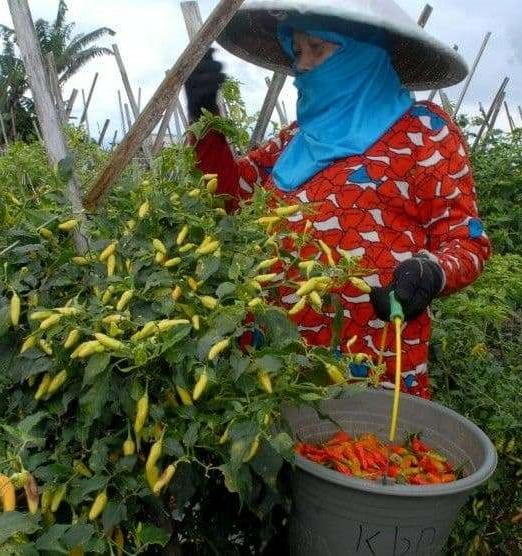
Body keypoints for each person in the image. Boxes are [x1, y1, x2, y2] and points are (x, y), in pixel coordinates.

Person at [185, 0, 491, 399]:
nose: (304, 64)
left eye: (318, 48)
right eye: (298, 51)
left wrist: (432, 271)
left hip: (372, 363)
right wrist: (204, 116)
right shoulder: (296, 139)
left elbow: (466, 240)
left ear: (362, 52)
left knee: (362, 454)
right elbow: (231, 196)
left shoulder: (422, 133)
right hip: (275, 359)